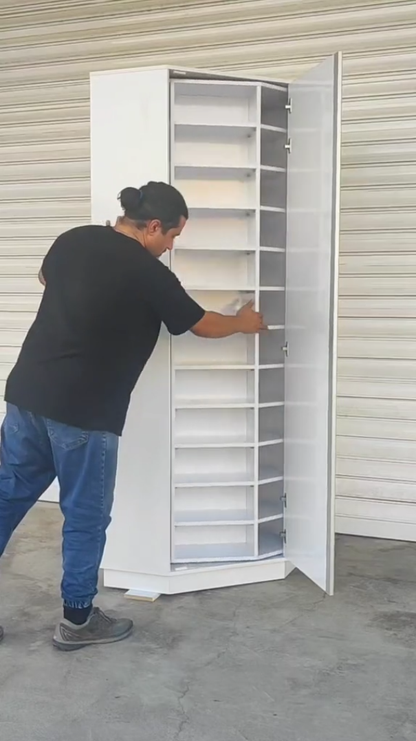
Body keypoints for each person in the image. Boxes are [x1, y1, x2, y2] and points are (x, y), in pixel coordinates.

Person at [0, 181, 267, 651]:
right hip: (85, 411)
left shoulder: (73, 238)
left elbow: (48, 279)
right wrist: (244, 323)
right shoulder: (148, 273)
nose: (172, 246)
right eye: (173, 237)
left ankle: (77, 616)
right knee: (84, 517)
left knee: (6, 497)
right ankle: (78, 622)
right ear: (154, 227)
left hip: (28, 394)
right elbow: (199, 323)